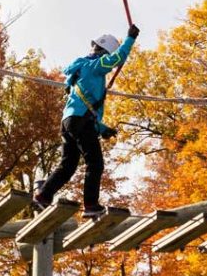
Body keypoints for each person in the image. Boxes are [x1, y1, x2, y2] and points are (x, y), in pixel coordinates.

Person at [33, 23, 140, 217]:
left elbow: (84, 109)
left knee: (68, 165)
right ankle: (91, 205)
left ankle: (43, 196)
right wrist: (130, 39)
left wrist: (101, 128)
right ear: (104, 52)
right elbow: (117, 58)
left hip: (70, 122)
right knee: (95, 163)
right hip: (80, 121)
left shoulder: (80, 72)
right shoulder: (94, 66)